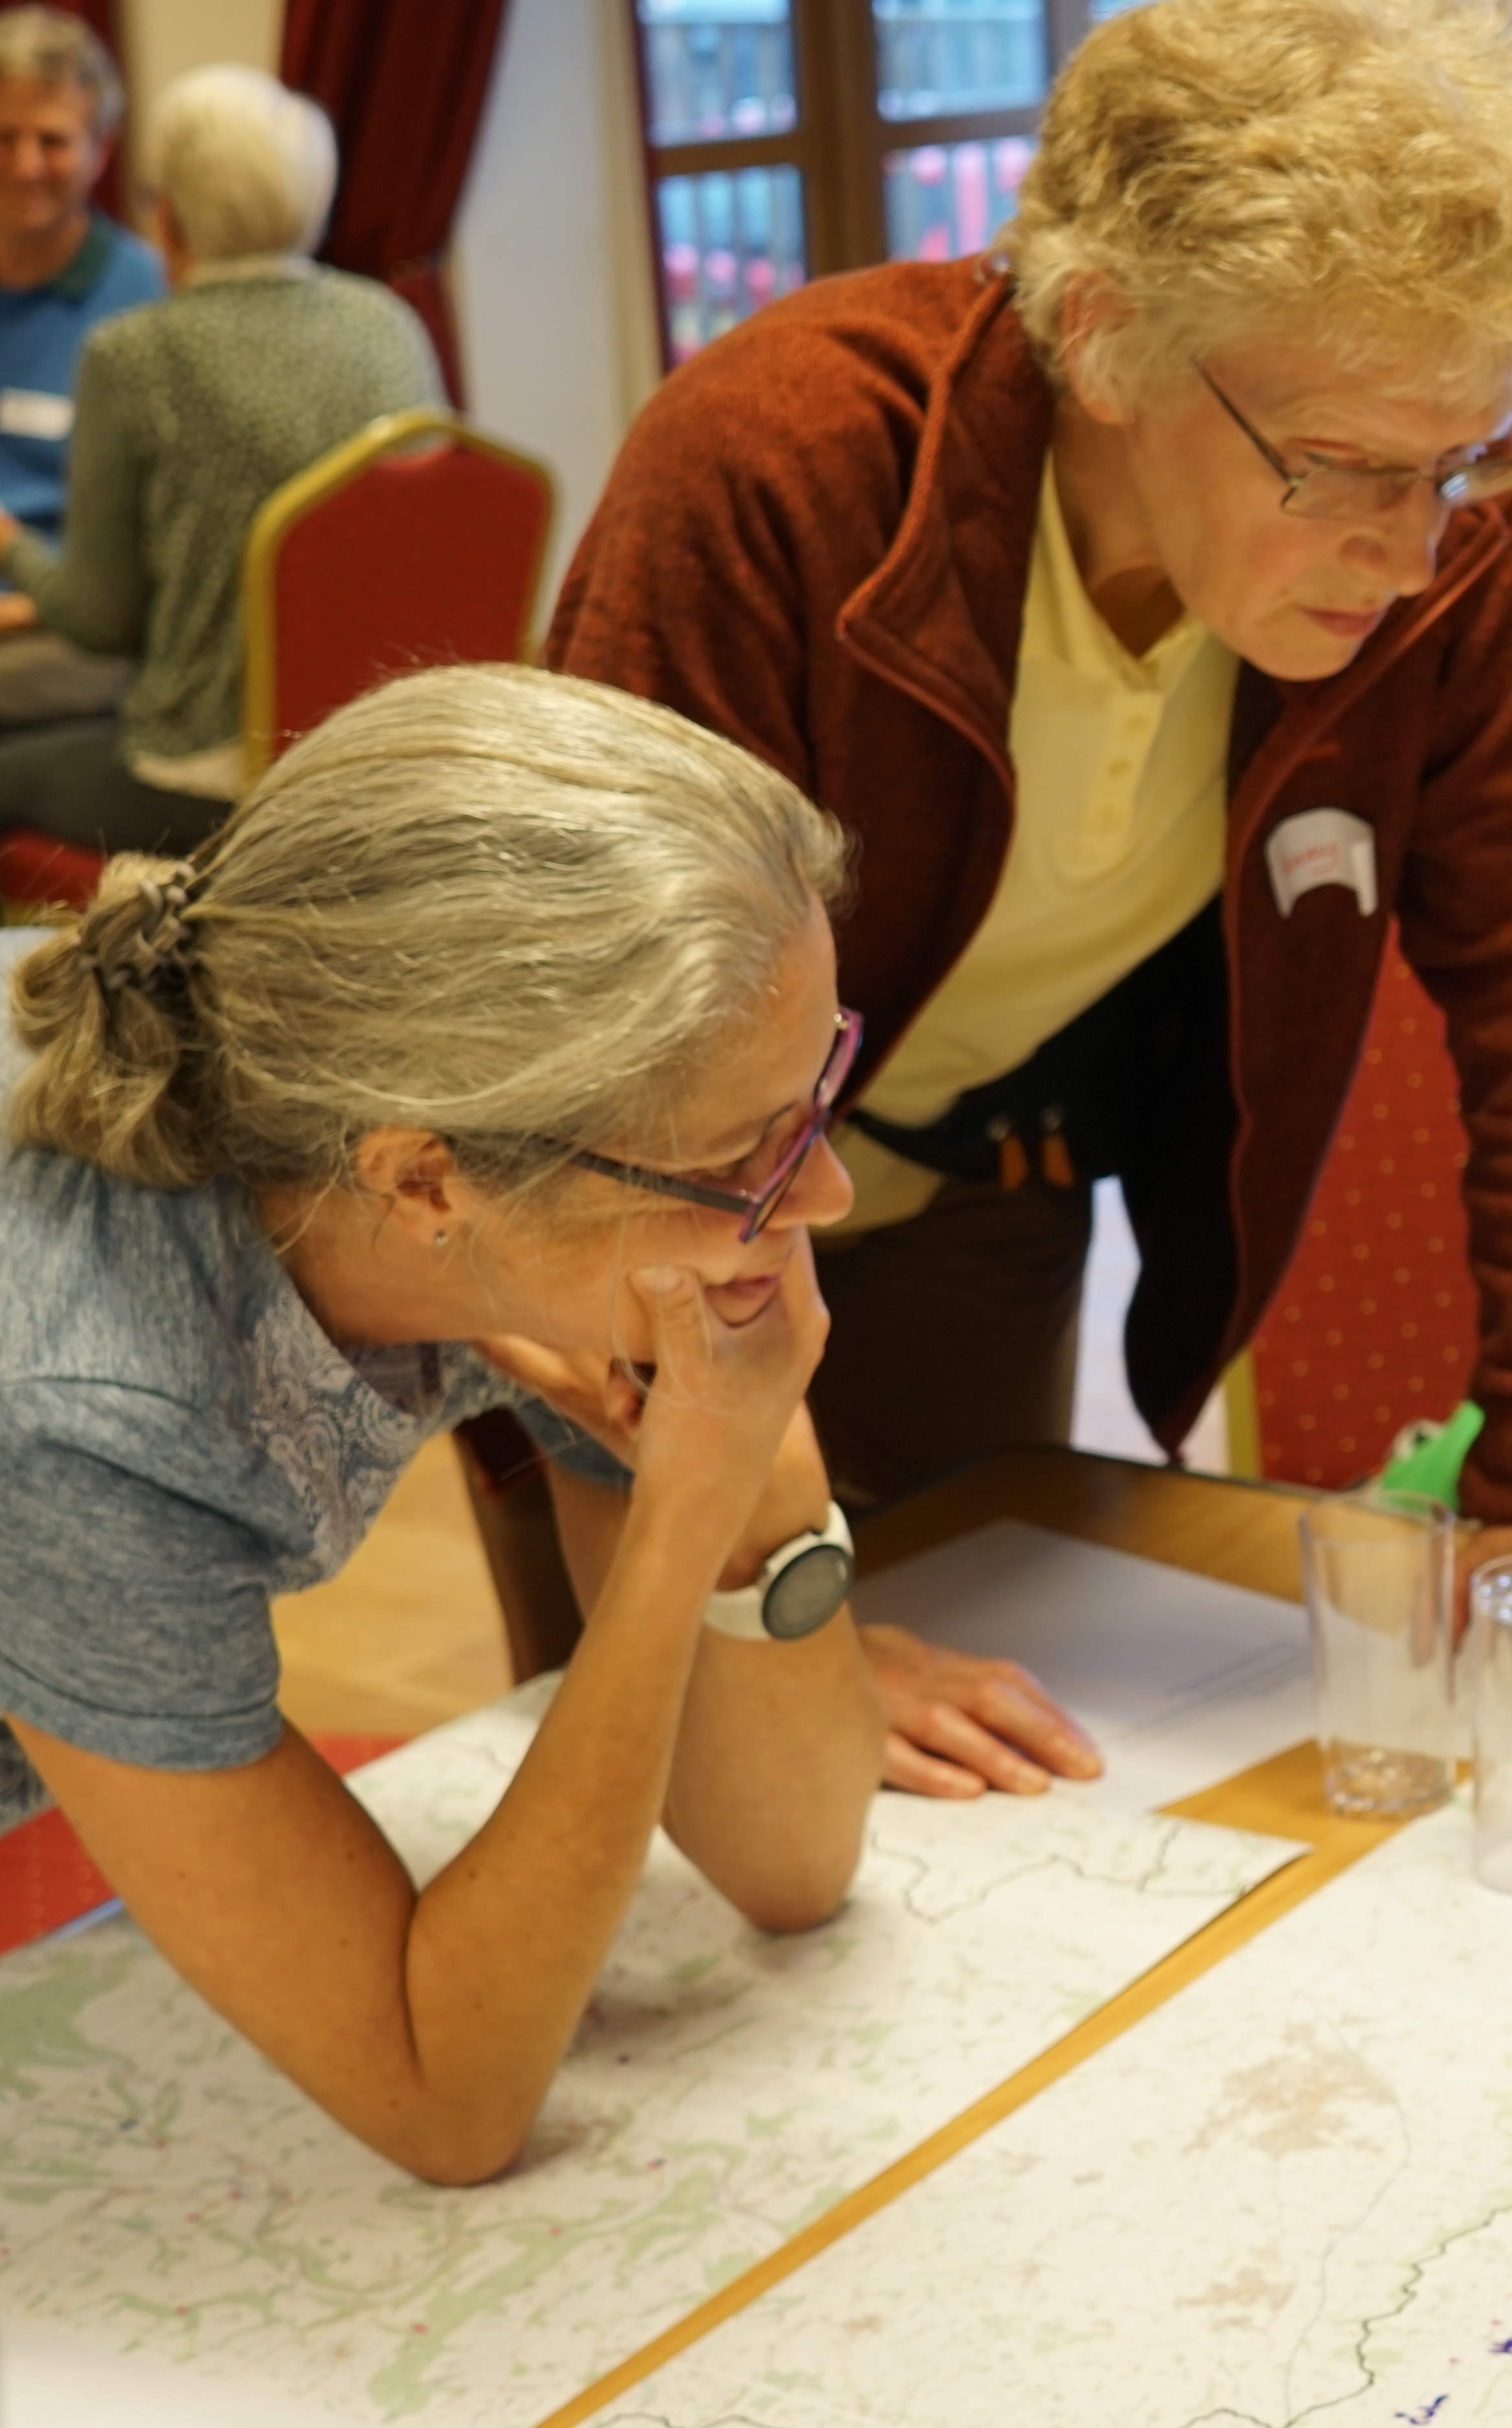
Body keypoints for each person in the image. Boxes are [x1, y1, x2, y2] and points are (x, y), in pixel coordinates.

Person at [548, 0, 1512, 1798]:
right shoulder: (784, 468)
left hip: (967, 1188)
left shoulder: (1432, 551)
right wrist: (781, 1609)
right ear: (1099, 336)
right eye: (1337, 466)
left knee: (997, 1797)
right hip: (630, 1245)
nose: (1412, 552)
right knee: (694, 1813)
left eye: (1466, 461)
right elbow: (588, 1083)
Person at [0, 665, 888, 2186]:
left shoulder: (462, 1172)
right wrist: (683, 1518)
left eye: (815, 1103)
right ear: (424, 1187)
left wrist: (756, 1450)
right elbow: (443, 2099)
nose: (825, 1198)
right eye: (753, 1151)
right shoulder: (82, 1416)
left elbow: (795, 1859)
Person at [0, 64, 438, 857]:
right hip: (387, 753)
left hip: (216, 776)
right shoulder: (388, 325)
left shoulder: (138, 353)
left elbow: (101, 622)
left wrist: (9, 545)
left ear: (169, 218)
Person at [0, 5, 165, 724]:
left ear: (102, 148)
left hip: (71, 631)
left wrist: (23, 607)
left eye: (54, 141)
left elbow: (151, 550)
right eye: (5, 137)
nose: (26, 165)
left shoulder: (148, 301)